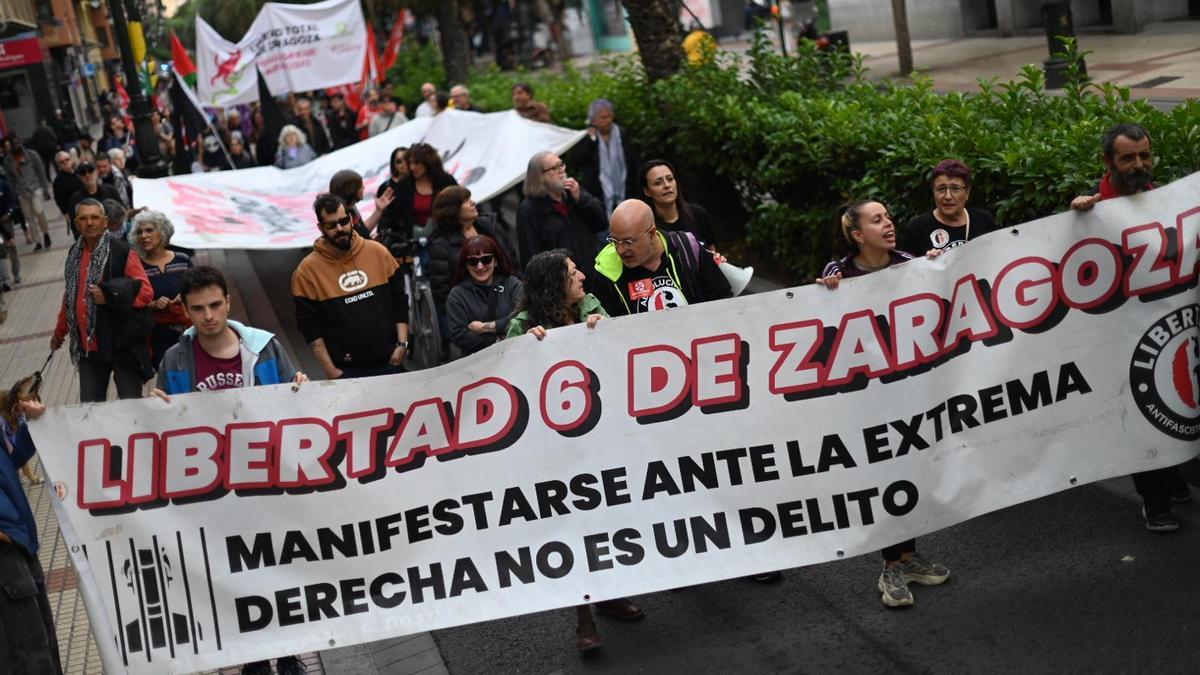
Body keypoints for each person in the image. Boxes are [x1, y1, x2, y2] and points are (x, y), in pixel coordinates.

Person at [149, 265, 307, 675]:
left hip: (269, 484)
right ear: (184, 309)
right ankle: (253, 659)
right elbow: (165, 426)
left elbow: (298, 405)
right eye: (198, 308)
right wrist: (154, 408)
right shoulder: (176, 359)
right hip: (215, 494)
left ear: (228, 302)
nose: (208, 316)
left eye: (215, 305)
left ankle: (289, 653)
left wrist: (301, 390)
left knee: (279, 571)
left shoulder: (265, 348)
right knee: (235, 577)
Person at [506, 250, 643, 651]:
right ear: (553, 285)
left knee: (606, 519)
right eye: (571, 273)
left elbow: (622, 347)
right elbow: (509, 383)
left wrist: (604, 330)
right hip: (555, 447)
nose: (582, 276)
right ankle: (584, 617)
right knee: (575, 525)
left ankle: (610, 596)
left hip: (599, 436)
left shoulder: (590, 304)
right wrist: (525, 351)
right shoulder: (523, 325)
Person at [815, 200, 950, 608]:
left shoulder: (911, 262)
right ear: (857, 235)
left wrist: (937, 269)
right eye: (877, 220)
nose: (888, 224)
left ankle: (907, 557)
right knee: (885, 477)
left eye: (889, 217)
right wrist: (824, 295)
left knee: (912, 471)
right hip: (866, 399)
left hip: (909, 391)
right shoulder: (838, 274)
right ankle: (891, 564)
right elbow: (817, 321)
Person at [1068, 122, 1190, 531]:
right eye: (1128, 158)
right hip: (1122, 339)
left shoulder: (1168, 202)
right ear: (1108, 162)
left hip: (1170, 330)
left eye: (1144, 156)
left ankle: (1173, 479)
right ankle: (1154, 501)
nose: (1139, 165)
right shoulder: (1090, 213)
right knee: (1139, 417)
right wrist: (1079, 218)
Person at [292, 194, 409, 380]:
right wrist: (330, 369)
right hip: (346, 372)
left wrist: (402, 345)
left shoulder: (378, 252)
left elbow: (399, 301)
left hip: (390, 362)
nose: (340, 229)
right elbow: (309, 326)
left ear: (351, 219)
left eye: (343, 221)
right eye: (331, 225)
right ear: (320, 228)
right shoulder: (307, 272)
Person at [52, 198, 154, 402]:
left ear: (105, 221)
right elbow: (71, 296)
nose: (89, 223)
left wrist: (109, 297)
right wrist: (59, 332)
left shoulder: (122, 251)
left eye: (95, 217)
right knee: (90, 410)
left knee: (131, 405)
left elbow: (145, 293)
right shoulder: (73, 254)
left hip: (121, 344)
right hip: (88, 348)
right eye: (83, 218)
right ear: (76, 223)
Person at [0, 394, 62, 673]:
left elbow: (9, 463)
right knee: (30, 659)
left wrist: (30, 427)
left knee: (44, 647)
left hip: (21, 538)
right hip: (7, 547)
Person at [592, 199, 731, 316]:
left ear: (652, 233)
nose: (620, 250)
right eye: (614, 241)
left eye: (629, 242)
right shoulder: (606, 270)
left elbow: (723, 299)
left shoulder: (686, 247)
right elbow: (608, 332)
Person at [427, 187, 510, 351]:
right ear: (452, 210)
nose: (473, 203)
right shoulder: (441, 245)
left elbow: (510, 263)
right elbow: (441, 289)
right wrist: (461, 318)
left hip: (503, 302)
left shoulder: (490, 228)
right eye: (465, 201)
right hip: (472, 319)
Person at [517, 151, 607, 283]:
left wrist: (581, 199)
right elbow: (531, 257)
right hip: (562, 284)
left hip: (593, 277)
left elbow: (602, 222)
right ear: (539, 177)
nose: (561, 170)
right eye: (554, 168)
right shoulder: (528, 210)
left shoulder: (575, 194)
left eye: (561, 165)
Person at [129, 210, 193, 367]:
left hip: (189, 332)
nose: (144, 235)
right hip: (158, 337)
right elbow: (132, 302)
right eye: (139, 232)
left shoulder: (182, 260)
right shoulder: (137, 267)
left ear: (162, 232)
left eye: (149, 230)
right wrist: (152, 304)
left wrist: (186, 296)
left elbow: (198, 289)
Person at [446, 235, 522, 357]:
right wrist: (498, 340)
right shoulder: (457, 295)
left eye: (486, 259)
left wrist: (483, 328)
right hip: (476, 363)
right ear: (465, 265)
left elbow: (521, 318)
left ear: (495, 261)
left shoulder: (512, 284)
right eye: (473, 262)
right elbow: (459, 335)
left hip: (514, 357)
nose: (480, 266)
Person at [902, 159, 997, 256]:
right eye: (941, 189)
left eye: (955, 189)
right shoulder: (918, 229)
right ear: (933, 192)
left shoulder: (984, 220)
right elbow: (908, 269)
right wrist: (928, 263)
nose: (948, 196)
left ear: (967, 192)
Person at [573, 99, 639, 214]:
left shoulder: (621, 134)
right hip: (598, 193)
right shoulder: (588, 137)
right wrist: (591, 140)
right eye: (603, 117)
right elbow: (577, 160)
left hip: (624, 191)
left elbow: (633, 160)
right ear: (594, 120)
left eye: (609, 116)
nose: (608, 120)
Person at [382, 143, 458, 241]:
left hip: (448, 237)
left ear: (428, 162)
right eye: (410, 163)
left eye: (417, 162)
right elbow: (391, 214)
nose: (412, 167)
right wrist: (382, 230)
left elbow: (461, 200)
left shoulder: (445, 180)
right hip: (419, 242)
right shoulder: (404, 185)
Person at [640, 159, 717, 248]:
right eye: (658, 183)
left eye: (670, 179)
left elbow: (712, 254)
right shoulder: (647, 228)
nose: (667, 185)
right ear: (647, 191)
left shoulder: (698, 215)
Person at [3, 143, 52, 250]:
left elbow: (41, 171)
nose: (16, 146)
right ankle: (37, 242)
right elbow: (9, 178)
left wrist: (45, 189)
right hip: (21, 192)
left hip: (35, 188)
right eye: (13, 143)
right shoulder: (8, 160)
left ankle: (46, 234)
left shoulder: (31, 155)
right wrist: (13, 194)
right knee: (29, 218)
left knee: (39, 213)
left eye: (17, 143)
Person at [328, 169, 394, 239]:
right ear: (351, 189)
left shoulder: (351, 206)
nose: (363, 187)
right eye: (360, 185)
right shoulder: (342, 214)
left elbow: (362, 232)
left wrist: (378, 210)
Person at [67, 162, 121, 238]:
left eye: (90, 170)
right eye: (83, 173)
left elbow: (122, 214)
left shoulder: (110, 190)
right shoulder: (75, 199)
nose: (87, 175)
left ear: (96, 172)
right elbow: (75, 227)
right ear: (79, 177)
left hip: (116, 236)